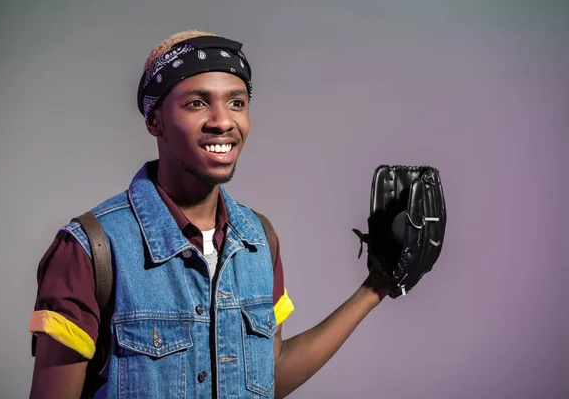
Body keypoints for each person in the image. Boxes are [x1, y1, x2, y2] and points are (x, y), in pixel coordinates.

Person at [29, 30, 389, 399]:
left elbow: (271, 373)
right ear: (155, 121)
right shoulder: (89, 250)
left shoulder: (259, 239)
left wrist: (375, 288)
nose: (223, 121)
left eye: (237, 102)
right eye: (197, 103)